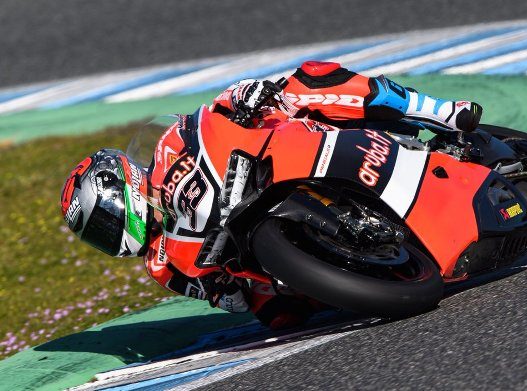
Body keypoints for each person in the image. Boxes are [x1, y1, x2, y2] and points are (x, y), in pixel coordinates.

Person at [61, 61, 482, 329]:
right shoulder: (162, 265)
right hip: (263, 248)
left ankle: (435, 110)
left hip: (270, 155)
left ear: (121, 187)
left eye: (103, 221)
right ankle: (366, 252)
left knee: (307, 79)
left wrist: (242, 95)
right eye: (97, 234)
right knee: (280, 318)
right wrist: (227, 295)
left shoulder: (167, 145)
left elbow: (211, 115)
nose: (108, 234)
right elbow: (227, 297)